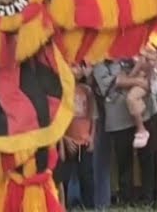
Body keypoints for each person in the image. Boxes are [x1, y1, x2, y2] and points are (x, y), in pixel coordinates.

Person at [94, 59, 157, 204]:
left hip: (143, 111)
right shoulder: (99, 60)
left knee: (147, 156)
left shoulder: (133, 54)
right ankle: (126, 198)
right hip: (118, 117)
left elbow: (147, 70)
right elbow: (109, 83)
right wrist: (137, 81)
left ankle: (149, 198)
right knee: (124, 160)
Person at [58, 64, 98, 209]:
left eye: (79, 67)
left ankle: (89, 206)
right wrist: (64, 140)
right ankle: (63, 206)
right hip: (68, 141)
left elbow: (93, 116)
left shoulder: (87, 91)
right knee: (64, 177)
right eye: (73, 67)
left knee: (86, 176)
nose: (77, 70)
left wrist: (92, 138)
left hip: (84, 141)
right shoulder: (63, 91)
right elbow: (57, 120)